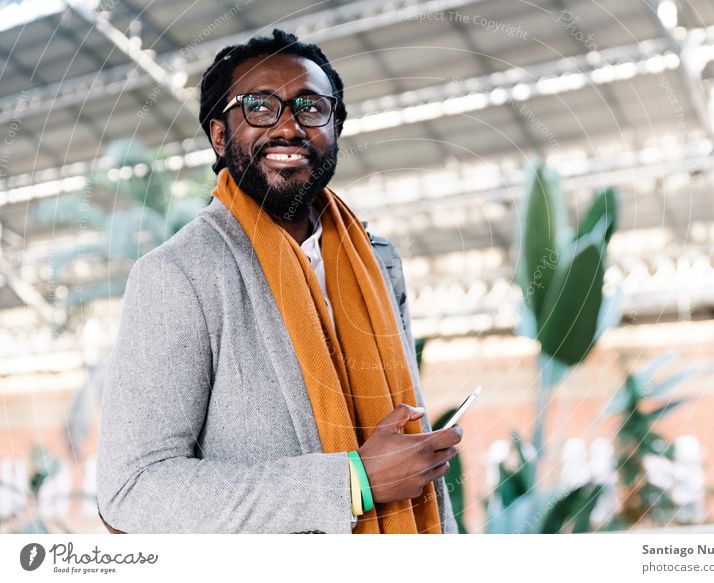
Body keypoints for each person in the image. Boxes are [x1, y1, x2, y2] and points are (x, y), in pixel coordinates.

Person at [95, 28, 462, 534]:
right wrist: (352, 481)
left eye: (311, 108)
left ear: (334, 128)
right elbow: (132, 489)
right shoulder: (178, 275)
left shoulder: (380, 262)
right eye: (260, 108)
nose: (289, 127)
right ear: (219, 135)